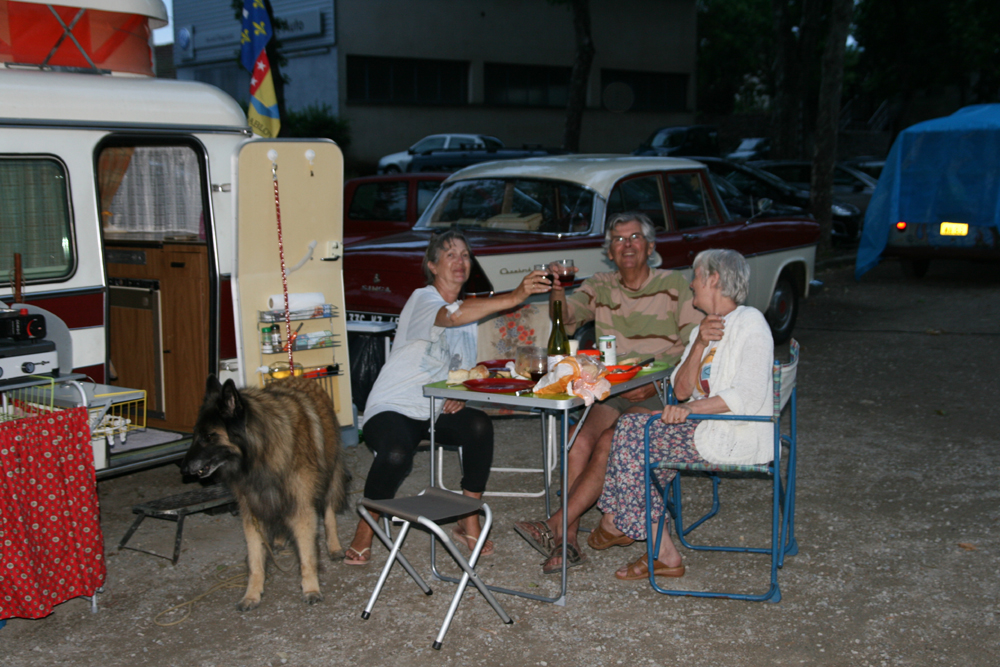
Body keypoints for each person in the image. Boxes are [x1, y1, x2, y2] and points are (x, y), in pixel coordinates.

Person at [344, 230, 552, 565]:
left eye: (465, 255)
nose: (460, 261)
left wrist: (461, 395)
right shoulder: (422, 300)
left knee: (478, 426)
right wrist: (515, 296)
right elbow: (451, 317)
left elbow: (464, 372)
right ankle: (366, 527)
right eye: (450, 254)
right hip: (394, 406)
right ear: (433, 266)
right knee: (397, 454)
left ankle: (466, 515)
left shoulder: (469, 315)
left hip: (435, 408)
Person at [513, 211, 702, 574]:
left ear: (649, 246)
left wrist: (657, 379)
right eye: (618, 240)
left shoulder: (675, 285)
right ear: (609, 252)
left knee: (610, 442)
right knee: (576, 439)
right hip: (613, 388)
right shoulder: (600, 285)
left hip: (657, 390)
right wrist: (556, 287)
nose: (626, 245)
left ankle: (555, 522)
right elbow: (565, 318)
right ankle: (566, 539)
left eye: (634, 238)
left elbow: (692, 344)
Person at [593, 248, 775, 580]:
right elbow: (678, 390)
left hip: (737, 433)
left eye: (696, 275)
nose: (692, 285)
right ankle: (628, 527)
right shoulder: (702, 329)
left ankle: (626, 526)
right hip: (706, 428)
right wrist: (699, 345)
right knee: (633, 428)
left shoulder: (751, 323)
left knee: (635, 434)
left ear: (714, 279)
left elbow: (746, 396)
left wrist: (689, 409)